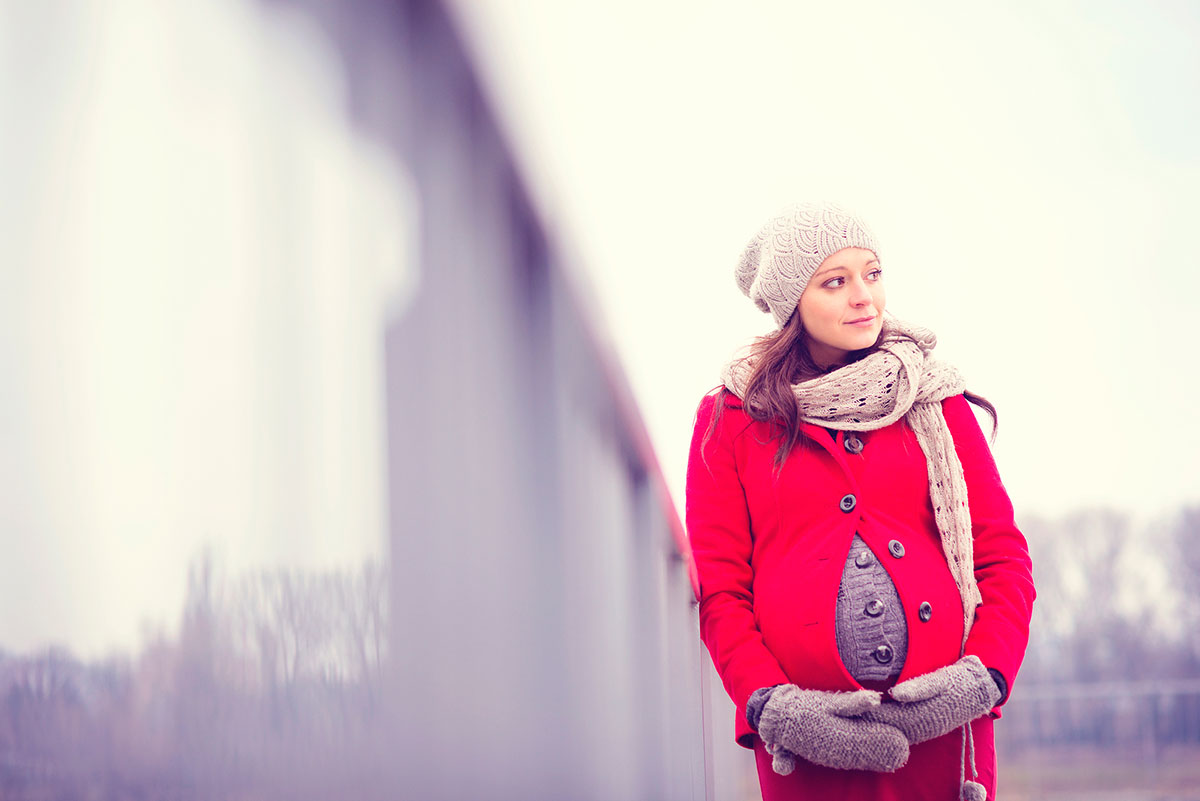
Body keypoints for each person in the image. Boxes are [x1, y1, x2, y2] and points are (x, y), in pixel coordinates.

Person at [685, 202, 1035, 801]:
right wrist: (774, 707)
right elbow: (721, 590)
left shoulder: (935, 402)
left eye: (872, 273)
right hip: (809, 750)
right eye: (835, 281)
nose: (863, 298)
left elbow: (1003, 557)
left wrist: (983, 679)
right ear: (793, 300)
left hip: (945, 742)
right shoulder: (731, 418)